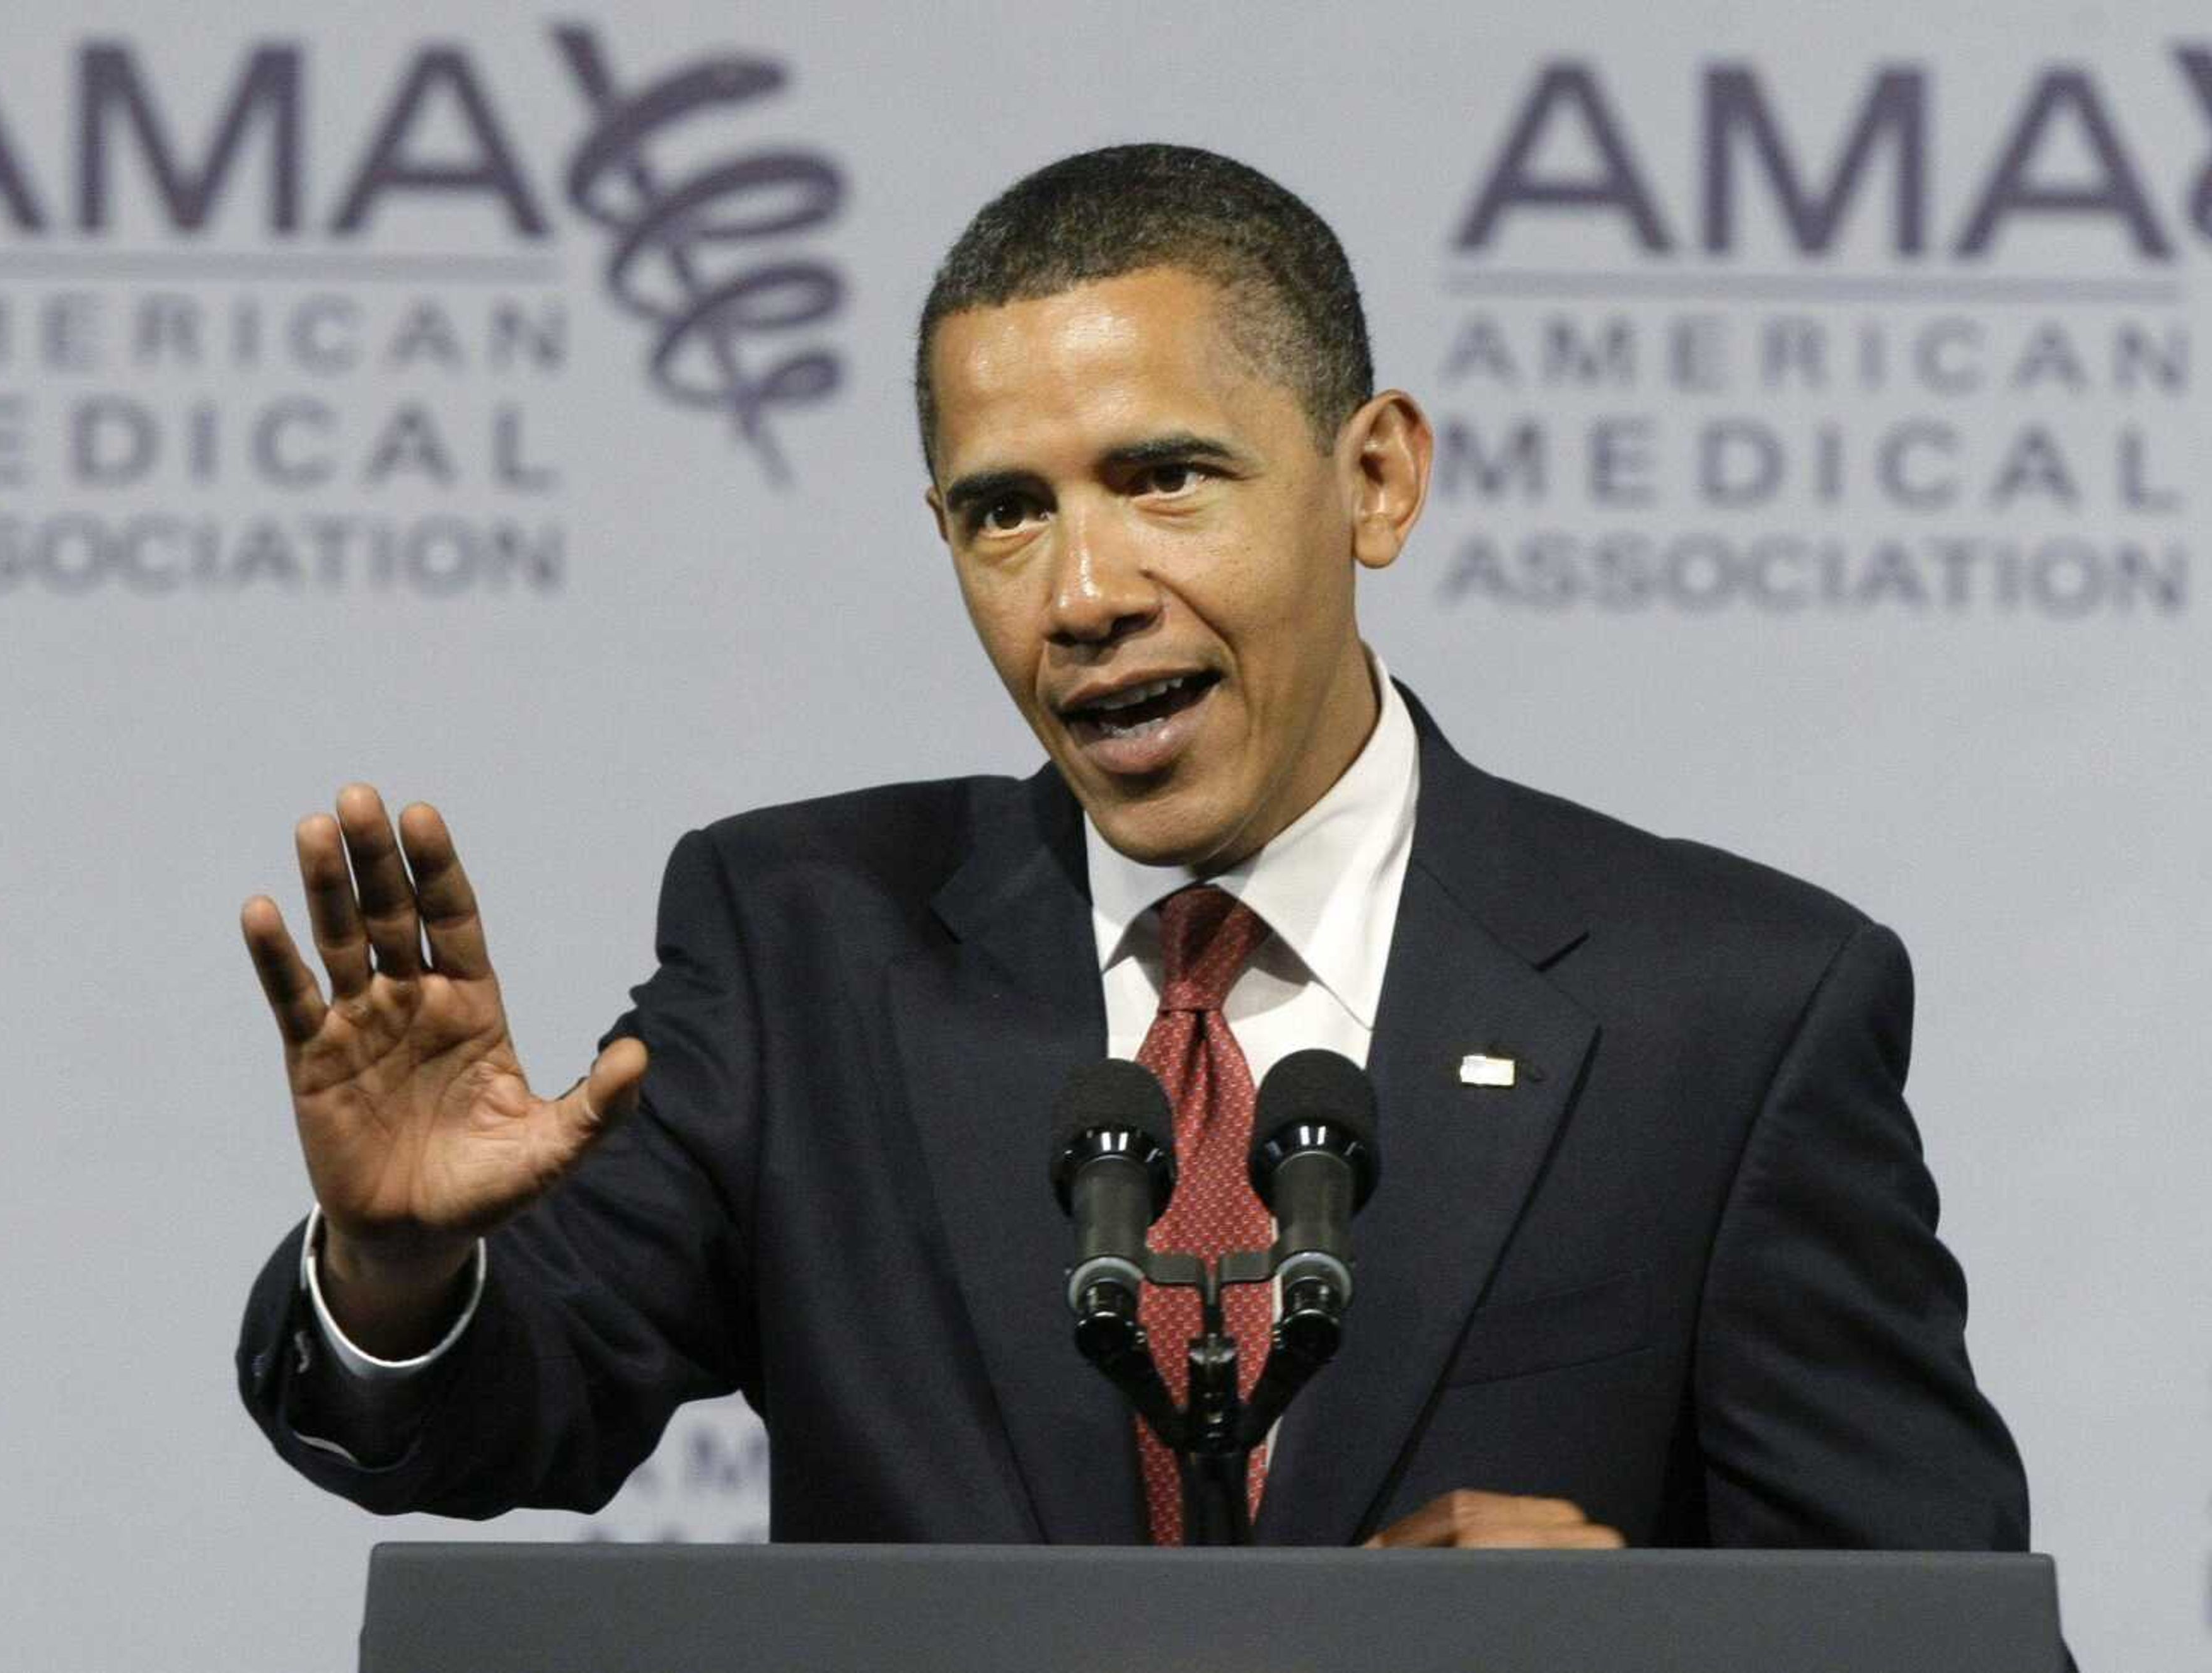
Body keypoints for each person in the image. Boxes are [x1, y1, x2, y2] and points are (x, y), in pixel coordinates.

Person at [235, 144, 2032, 1551]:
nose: (1083, 595)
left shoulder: (1730, 1012)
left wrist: (1624, 1644)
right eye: (1004, 512)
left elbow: (1951, 1635)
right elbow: (500, 1412)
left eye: (1164, 477)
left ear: (1377, 478)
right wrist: (395, 1271)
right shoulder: (804, 946)